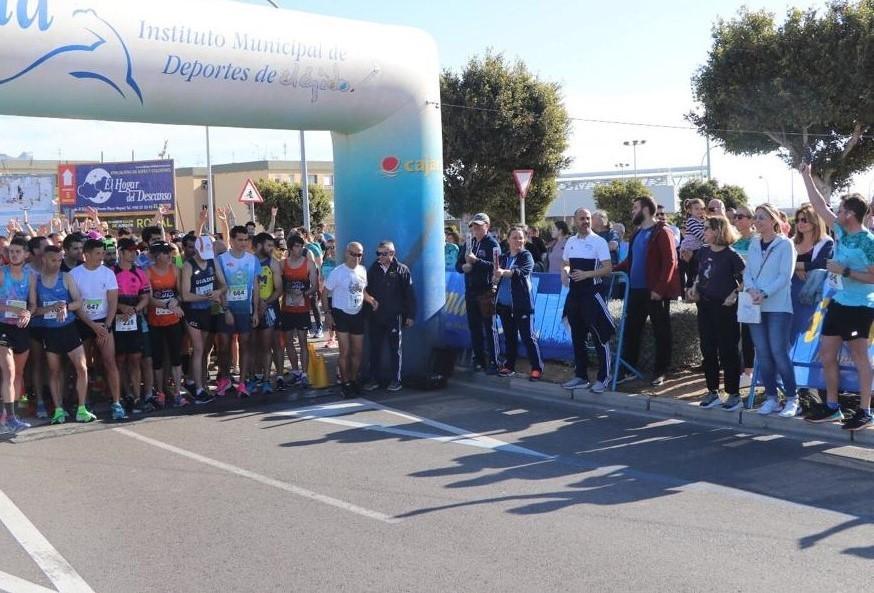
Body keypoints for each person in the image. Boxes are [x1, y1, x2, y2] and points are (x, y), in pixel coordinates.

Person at [801, 164, 874, 430]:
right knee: (826, 354)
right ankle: (833, 406)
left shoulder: (869, 241)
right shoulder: (841, 231)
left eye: (842, 210)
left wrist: (844, 270)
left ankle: (865, 411)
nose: (837, 213)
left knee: (859, 359)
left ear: (852, 215)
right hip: (839, 303)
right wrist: (806, 175)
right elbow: (819, 206)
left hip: (860, 307)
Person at [614, 195, 681, 386]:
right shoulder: (636, 233)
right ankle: (628, 370)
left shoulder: (662, 232)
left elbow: (671, 262)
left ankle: (661, 371)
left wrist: (659, 289)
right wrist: (611, 270)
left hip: (654, 292)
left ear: (645, 210)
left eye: (635, 207)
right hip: (635, 291)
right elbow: (630, 260)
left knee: (661, 332)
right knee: (631, 331)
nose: (632, 211)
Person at [743, 204, 799, 417]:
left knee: (778, 352)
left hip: (778, 307)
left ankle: (793, 398)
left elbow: (785, 276)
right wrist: (751, 289)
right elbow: (747, 271)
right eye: (756, 217)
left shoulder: (785, 245)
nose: (757, 221)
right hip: (755, 306)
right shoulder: (754, 243)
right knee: (763, 354)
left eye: (762, 217)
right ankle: (771, 398)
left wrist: (763, 292)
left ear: (774, 220)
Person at [31, 245, 93, 424]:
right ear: (44, 259)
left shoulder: (66, 277)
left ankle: (81, 408)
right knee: (54, 371)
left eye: (60, 260)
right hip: (50, 332)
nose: (57, 263)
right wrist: (50, 308)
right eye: (53, 260)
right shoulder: (36, 280)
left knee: (81, 367)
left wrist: (66, 307)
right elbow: (33, 310)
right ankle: (58, 410)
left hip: (69, 329)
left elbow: (78, 301)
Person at [689, 217, 746, 411]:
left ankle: (734, 394)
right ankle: (712, 391)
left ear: (719, 231)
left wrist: (734, 294)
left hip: (725, 308)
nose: (703, 231)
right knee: (708, 349)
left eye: (707, 228)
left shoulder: (732, 255)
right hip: (705, 306)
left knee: (728, 350)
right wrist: (695, 287)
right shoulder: (703, 251)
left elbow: (747, 278)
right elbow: (700, 273)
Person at [71, 239, 126, 420]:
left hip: (104, 322)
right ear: (86, 255)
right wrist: (92, 325)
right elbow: (77, 304)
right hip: (83, 323)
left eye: (103, 253)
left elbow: (112, 301)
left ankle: (116, 402)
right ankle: (84, 403)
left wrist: (106, 326)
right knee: (83, 365)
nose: (102, 256)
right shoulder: (74, 274)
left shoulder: (108, 273)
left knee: (110, 361)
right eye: (97, 253)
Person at [559, 210, 614, 392]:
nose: (586, 221)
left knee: (601, 335)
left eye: (588, 218)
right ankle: (581, 376)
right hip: (575, 295)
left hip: (592, 294)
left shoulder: (599, 241)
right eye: (582, 219)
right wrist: (565, 271)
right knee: (577, 336)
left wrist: (586, 274)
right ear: (575, 221)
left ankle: (604, 377)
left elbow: (607, 268)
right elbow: (565, 262)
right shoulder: (571, 242)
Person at [363, 241, 416, 391]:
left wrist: (410, 315)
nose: (380, 256)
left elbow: (409, 295)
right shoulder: (373, 269)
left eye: (383, 253)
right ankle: (374, 379)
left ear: (392, 254)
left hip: (394, 316)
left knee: (395, 349)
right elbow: (365, 290)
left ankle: (396, 380)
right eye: (378, 253)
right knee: (374, 348)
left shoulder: (402, 269)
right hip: (376, 317)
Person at [324, 242, 375, 397]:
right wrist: (327, 313)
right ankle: (345, 382)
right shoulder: (338, 272)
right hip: (341, 313)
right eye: (353, 254)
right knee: (345, 351)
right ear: (346, 253)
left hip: (357, 313)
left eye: (359, 255)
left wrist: (371, 300)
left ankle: (353, 380)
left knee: (357, 352)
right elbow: (325, 292)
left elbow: (362, 291)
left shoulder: (362, 270)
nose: (356, 258)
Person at [180, 235, 226, 403]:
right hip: (192, 311)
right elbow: (185, 295)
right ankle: (198, 389)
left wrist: (218, 293)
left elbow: (223, 284)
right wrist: (206, 296)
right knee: (198, 348)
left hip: (207, 310)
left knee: (204, 349)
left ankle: (193, 381)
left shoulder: (212, 262)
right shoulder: (188, 266)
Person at [217, 225, 261, 397]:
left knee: (245, 345)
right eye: (240, 240)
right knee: (224, 347)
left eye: (245, 240)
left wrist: (255, 311)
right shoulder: (221, 259)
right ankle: (226, 379)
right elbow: (220, 287)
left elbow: (255, 287)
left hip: (245, 309)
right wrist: (225, 309)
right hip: (226, 309)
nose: (243, 243)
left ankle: (242, 382)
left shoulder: (252, 260)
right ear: (232, 240)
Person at [456, 213, 501, 373]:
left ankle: (495, 362)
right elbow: (458, 264)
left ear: (487, 226)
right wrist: (463, 267)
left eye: (479, 226)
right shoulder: (469, 242)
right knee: (474, 327)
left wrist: (476, 262)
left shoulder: (493, 244)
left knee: (490, 328)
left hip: (486, 291)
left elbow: (496, 267)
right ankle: (479, 360)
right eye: (474, 226)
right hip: (470, 291)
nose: (475, 229)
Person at [113, 238, 151, 412]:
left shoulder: (140, 272)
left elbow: (145, 297)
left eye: (135, 250)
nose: (133, 253)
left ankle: (137, 396)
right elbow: (108, 299)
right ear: (120, 252)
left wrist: (135, 309)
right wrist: (121, 307)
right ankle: (124, 394)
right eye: (129, 250)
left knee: (135, 359)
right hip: (116, 319)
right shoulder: (111, 272)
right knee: (119, 360)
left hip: (134, 318)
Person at [0, 237, 34, 433]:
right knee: (9, 372)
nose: (13, 255)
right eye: (11, 251)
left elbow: (33, 304)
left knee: (18, 374)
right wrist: (10, 306)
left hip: (21, 328)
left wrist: (28, 312)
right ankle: (10, 417)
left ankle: (8, 414)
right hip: (3, 326)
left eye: (17, 251)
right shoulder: (2, 274)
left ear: (26, 254)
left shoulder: (30, 276)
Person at [281, 235, 318, 387]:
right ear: (290, 248)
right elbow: (277, 284)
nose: (299, 249)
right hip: (287, 308)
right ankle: (295, 371)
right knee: (288, 341)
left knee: (303, 341)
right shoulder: (283, 264)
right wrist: (286, 292)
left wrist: (303, 294)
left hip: (303, 308)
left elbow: (315, 286)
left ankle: (304, 373)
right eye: (296, 246)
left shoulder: (309, 264)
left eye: (301, 246)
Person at [254, 232, 283, 393]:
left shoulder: (273, 263)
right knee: (254, 345)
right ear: (259, 245)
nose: (272, 248)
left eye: (273, 245)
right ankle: (256, 376)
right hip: (253, 307)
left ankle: (275, 376)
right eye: (269, 245)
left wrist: (266, 302)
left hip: (270, 307)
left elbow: (279, 289)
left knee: (272, 344)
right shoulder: (249, 261)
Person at [732, 205, 757, 384]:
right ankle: (739, 370)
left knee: (749, 334)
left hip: (751, 292)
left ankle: (749, 372)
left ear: (751, 219)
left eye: (741, 216)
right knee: (736, 334)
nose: (737, 220)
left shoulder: (757, 241)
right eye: (736, 217)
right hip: (736, 293)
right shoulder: (734, 242)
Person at [792, 204, 833, 285]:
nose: (800, 223)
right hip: (789, 290)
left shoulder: (826, 242)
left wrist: (793, 266)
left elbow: (820, 264)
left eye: (804, 220)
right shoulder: (791, 242)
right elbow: (779, 264)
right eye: (797, 220)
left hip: (814, 291)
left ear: (815, 221)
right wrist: (795, 269)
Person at [679, 198, 706, 289]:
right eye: (696, 209)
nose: (699, 211)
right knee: (693, 267)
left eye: (701, 208)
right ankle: (690, 285)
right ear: (690, 210)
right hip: (691, 247)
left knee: (697, 266)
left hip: (697, 246)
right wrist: (707, 239)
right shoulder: (691, 221)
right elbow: (698, 234)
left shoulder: (702, 221)